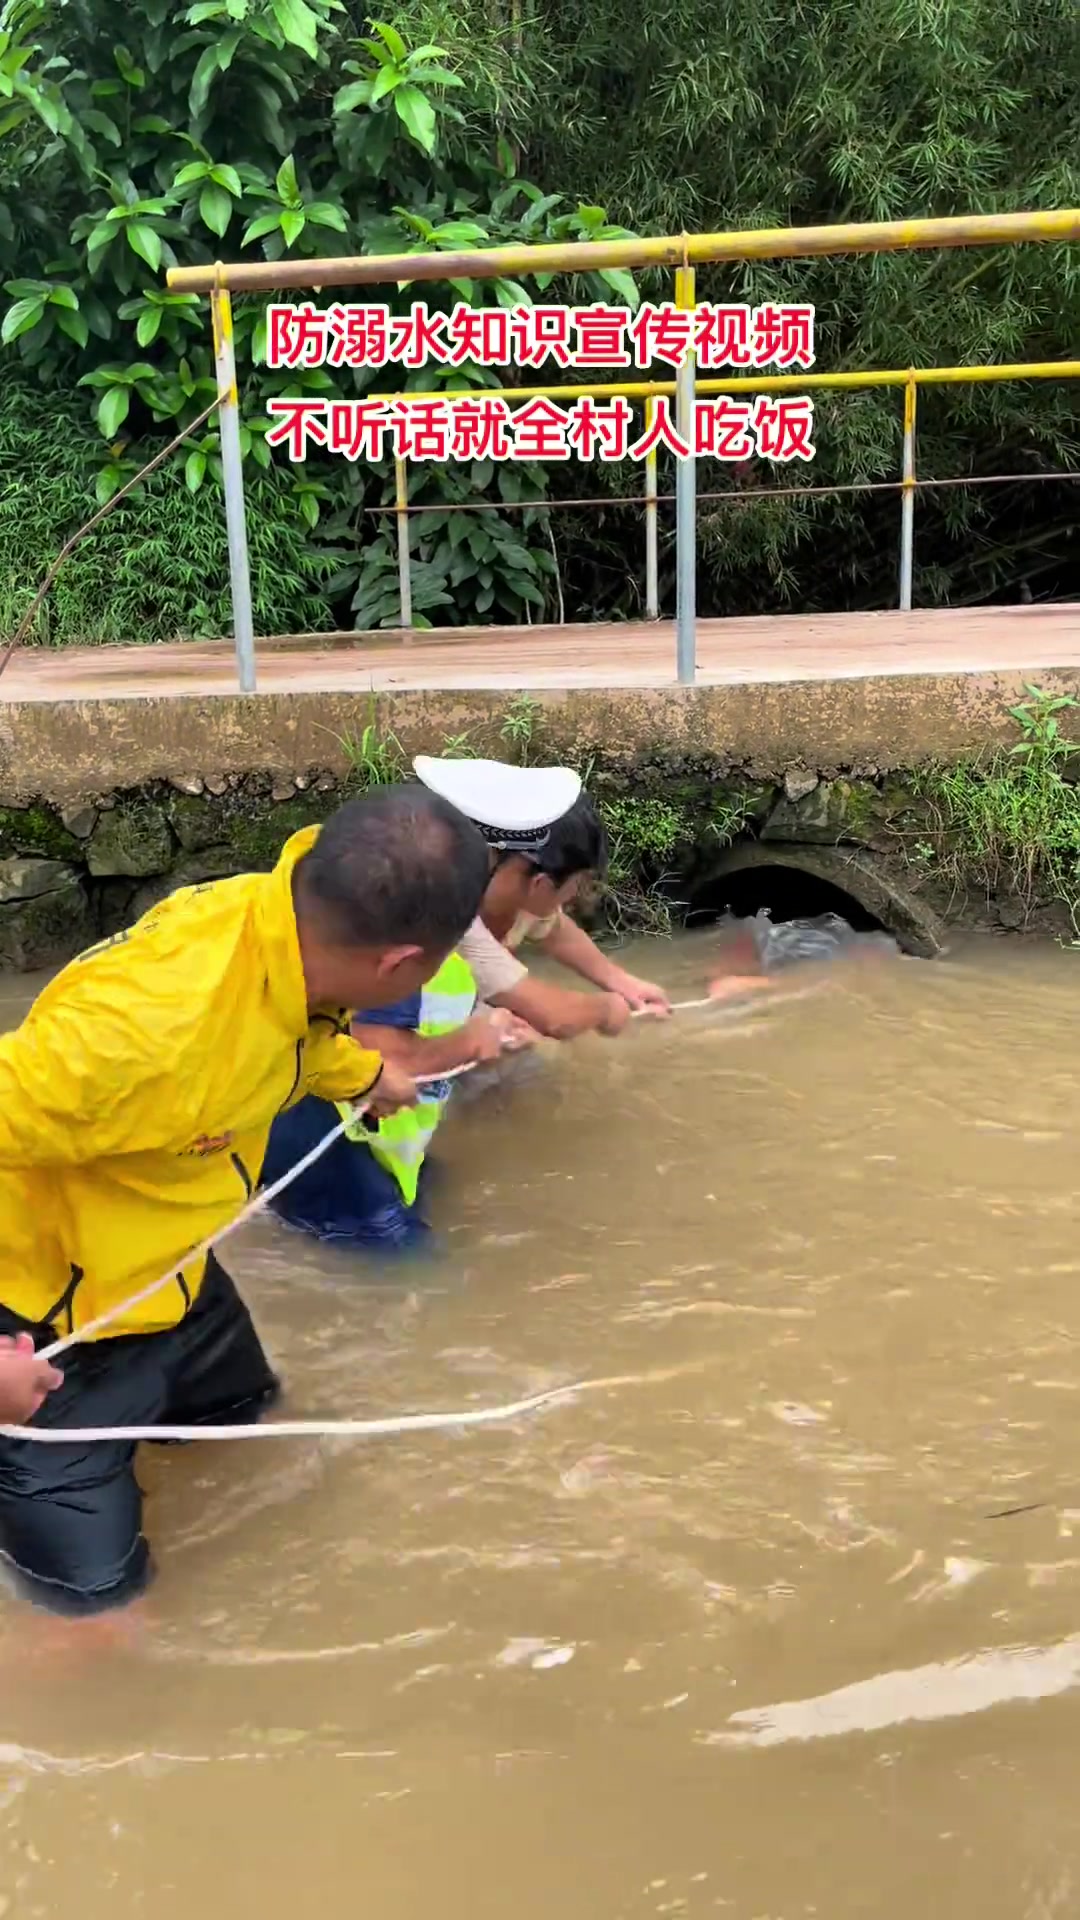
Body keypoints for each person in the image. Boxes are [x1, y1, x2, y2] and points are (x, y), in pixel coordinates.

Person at [0, 784, 491, 1616]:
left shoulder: (279, 915)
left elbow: (291, 1037)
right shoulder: (134, 1036)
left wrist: (366, 1073)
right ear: (398, 965)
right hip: (48, 1339)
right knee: (100, 1626)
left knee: (249, 1438)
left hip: (175, 1277)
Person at [261, 759, 671, 1254]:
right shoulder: (417, 924)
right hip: (314, 1120)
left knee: (432, 1187)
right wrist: (475, 1041)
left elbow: (551, 934)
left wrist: (617, 982)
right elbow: (381, 1056)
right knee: (409, 1267)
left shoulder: (452, 906)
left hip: (361, 1113)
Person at [416, 756, 672, 1037]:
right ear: (541, 884)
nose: (576, 895)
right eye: (579, 882)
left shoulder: (510, 889)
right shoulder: (450, 916)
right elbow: (556, 1019)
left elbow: (556, 931)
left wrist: (623, 983)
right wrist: (605, 1009)